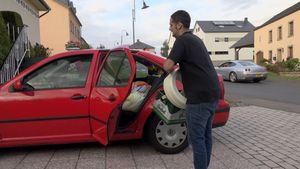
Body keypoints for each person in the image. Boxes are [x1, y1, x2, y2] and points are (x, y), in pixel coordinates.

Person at [163, 10, 221, 169]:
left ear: (179, 25)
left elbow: (167, 66)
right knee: (206, 136)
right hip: (212, 94)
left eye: (171, 25)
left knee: (197, 140)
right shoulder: (196, 39)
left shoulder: (182, 41)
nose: (170, 28)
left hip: (199, 98)